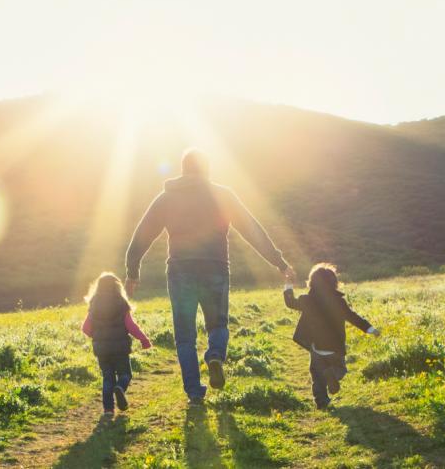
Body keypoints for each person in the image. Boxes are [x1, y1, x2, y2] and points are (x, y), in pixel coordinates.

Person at [125, 148, 295, 404]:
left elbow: (141, 235)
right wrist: (279, 263)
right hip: (215, 267)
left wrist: (132, 272)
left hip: (180, 270)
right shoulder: (222, 195)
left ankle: (194, 392)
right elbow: (252, 230)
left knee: (184, 335)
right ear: (207, 169)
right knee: (218, 324)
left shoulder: (166, 198)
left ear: (183, 170)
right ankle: (215, 354)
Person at [282, 263, 380, 409]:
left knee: (317, 376)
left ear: (312, 282)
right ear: (334, 282)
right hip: (335, 347)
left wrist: (288, 284)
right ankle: (332, 374)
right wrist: (370, 329)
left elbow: (290, 302)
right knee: (340, 370)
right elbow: (352, 317)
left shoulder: (307, 300)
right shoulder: (339, 302)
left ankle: (321, 402)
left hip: (317, 348)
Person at [81, 273, 152, 415]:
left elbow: (86, 328)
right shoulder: (121, 303)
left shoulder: (94, 305)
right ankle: (120, 388)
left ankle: (108, 410)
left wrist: (97, 336)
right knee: (125, 374)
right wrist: (143, 340)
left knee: (107, 377)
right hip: (120, 349)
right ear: (117, 287)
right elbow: (131, 326)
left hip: (102, 350)